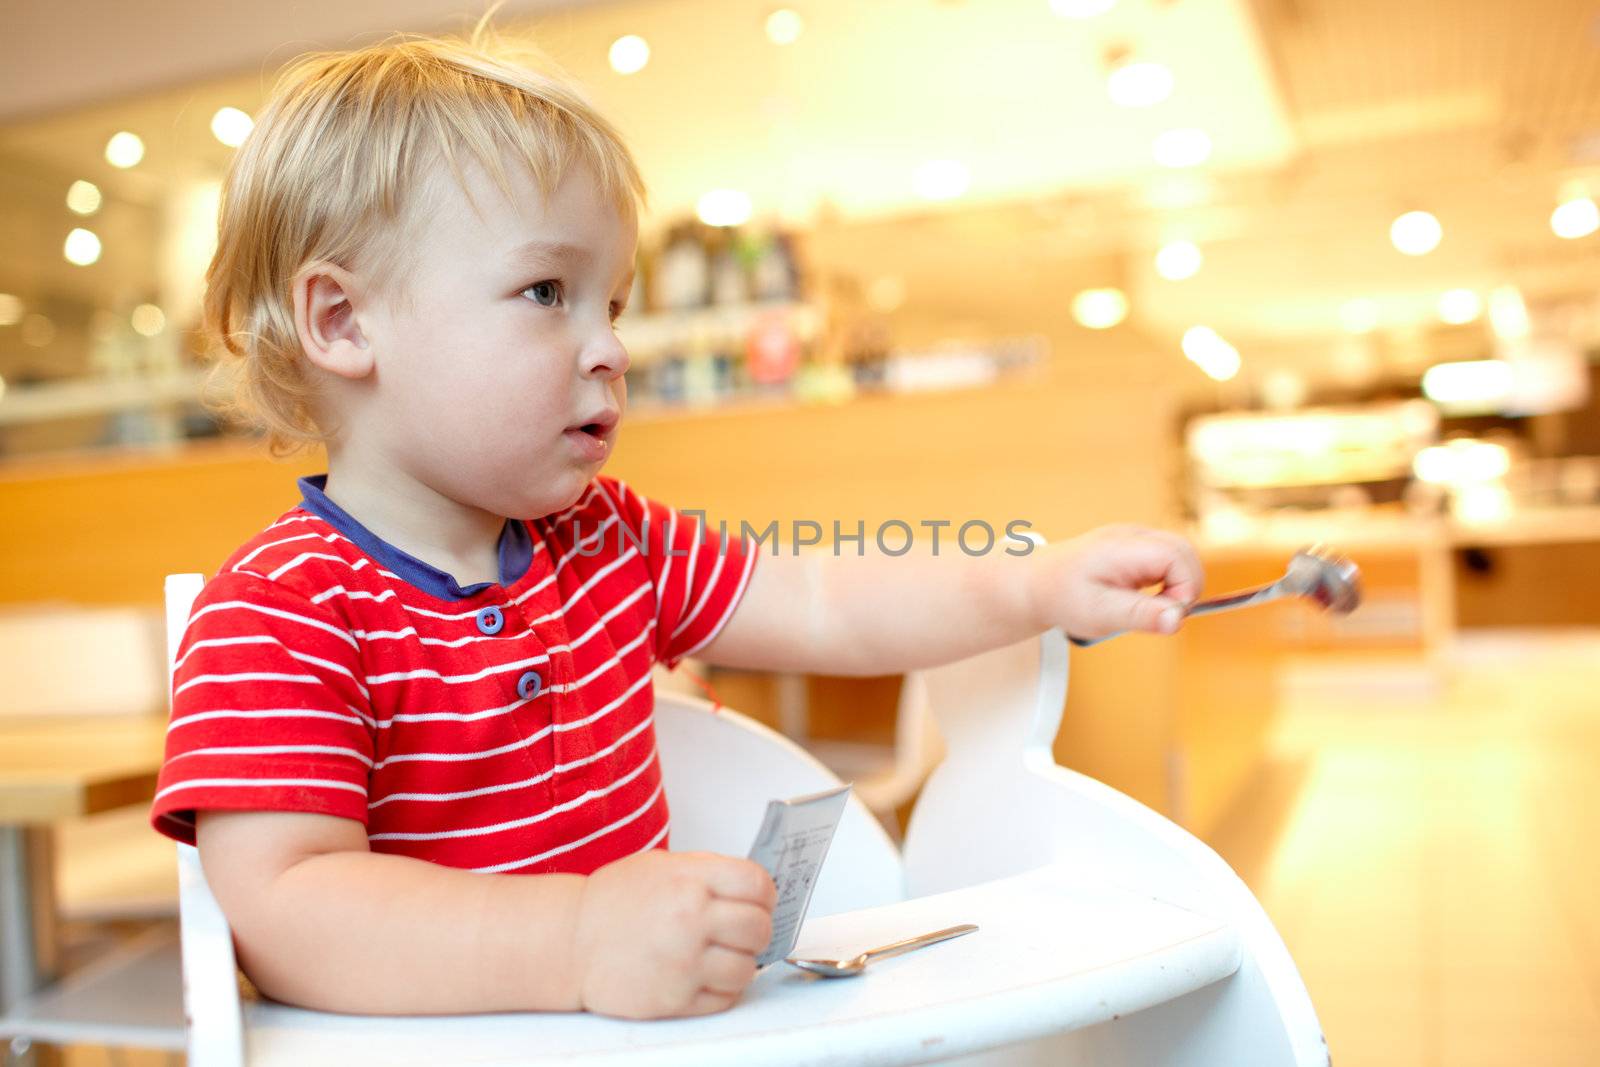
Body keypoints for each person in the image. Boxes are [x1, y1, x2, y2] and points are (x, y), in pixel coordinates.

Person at [150, 27, 1204, 1022]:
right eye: (545, 289)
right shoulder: (277, 609)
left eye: (609, 303)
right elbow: (286, 908)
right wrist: (574, 941)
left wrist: (1032, 586)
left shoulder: (607, 536)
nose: (610, 347)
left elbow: (824, 602)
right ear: (344, 321)